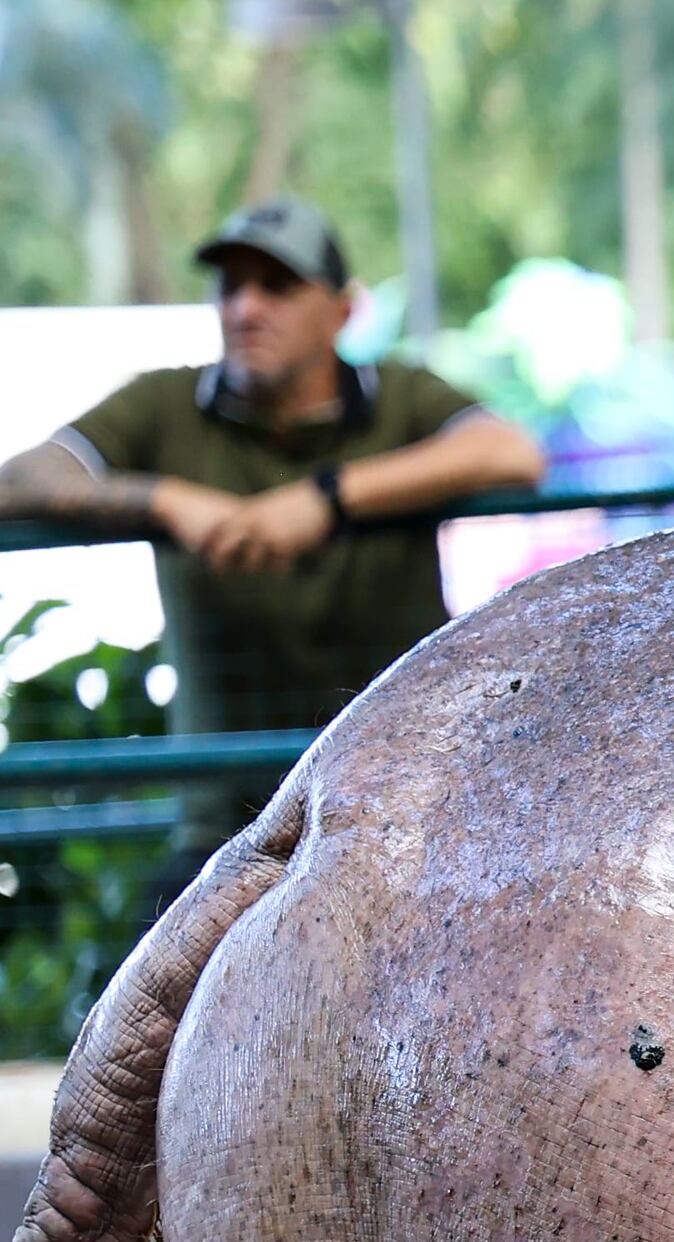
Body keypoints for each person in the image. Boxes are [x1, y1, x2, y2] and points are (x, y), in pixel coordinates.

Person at [0, 197, 549, 883]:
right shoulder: (166, 403)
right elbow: (20, 477)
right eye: (230, 285)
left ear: (343, 311)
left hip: (407, 817)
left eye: (278, 286)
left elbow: (512, 451)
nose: (245, 309)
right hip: (224, 839)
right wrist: (169, 502)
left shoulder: (402, 394)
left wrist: (327, 499)